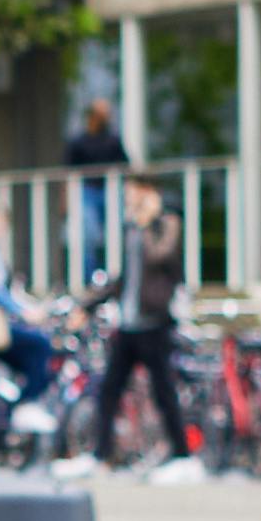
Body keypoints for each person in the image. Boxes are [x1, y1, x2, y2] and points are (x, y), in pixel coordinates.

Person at [89, 182, 198, 467]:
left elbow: (160, 256)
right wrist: (88, 304)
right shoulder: (132, 229)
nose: (130, 199)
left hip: (154, 324)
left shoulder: (168, 224)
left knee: (163, 392)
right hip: (129, 325)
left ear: (151, 193)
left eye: (135, 193)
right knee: (109, 390)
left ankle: (182, 456)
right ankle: (101, 454)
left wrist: (148, 223)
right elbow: (125, 278)